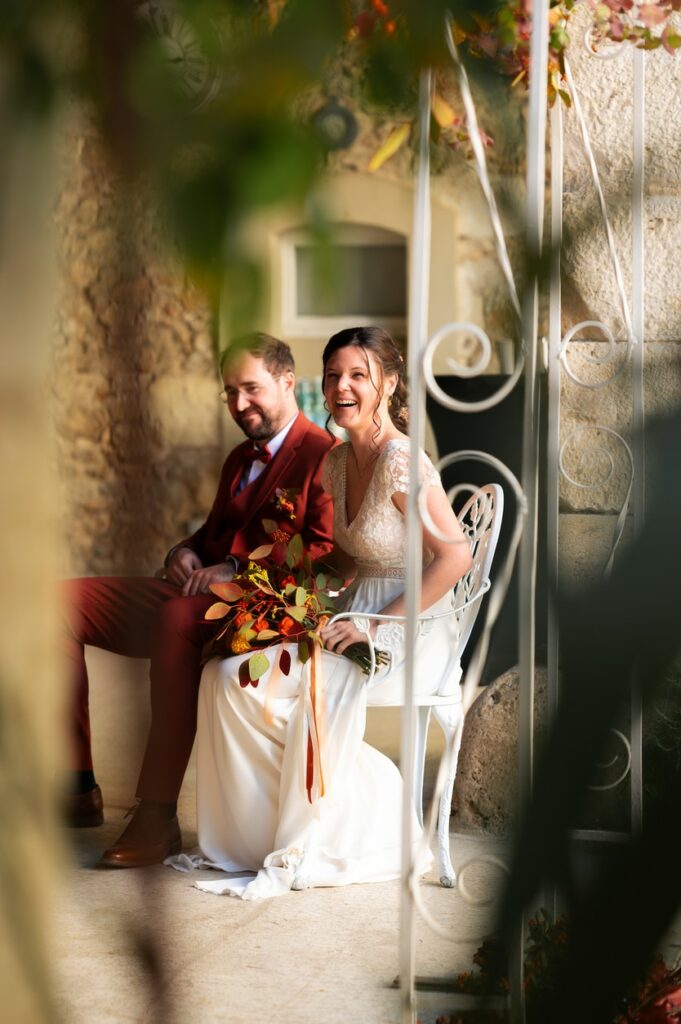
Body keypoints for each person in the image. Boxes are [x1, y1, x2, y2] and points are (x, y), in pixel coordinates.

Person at [168, 325, 473, 899]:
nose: (342, 387)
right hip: (350, 612)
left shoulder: (400, 459)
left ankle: (356, 824)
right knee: (223, 679)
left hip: (411, 624)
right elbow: (342, 561)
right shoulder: (337, 462)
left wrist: (379, 624)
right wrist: (289, 602)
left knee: (295, 689)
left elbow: (454, 556)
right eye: (333, 376)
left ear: (389, 383)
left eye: (358, 375)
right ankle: (252, 838)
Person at [61, 333, 335, 867]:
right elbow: (211, 534)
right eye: (229, 392)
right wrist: (180, 553)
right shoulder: (239, 458)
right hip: (191, 591)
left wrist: (232, 569)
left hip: (258, 605)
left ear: (286, 381)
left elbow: (320, 556)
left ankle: (157, 815)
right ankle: (77, 785)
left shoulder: (323, 457)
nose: (239, 405)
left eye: (251, 388)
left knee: (173, 616)